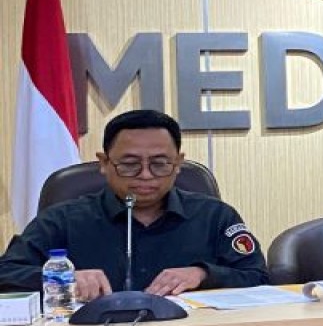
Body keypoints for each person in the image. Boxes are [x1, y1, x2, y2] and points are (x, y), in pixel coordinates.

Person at [0, 109, 268, 299]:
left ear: (178, 164)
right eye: (129, 164)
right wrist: (63, 279)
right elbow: (7, 274)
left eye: (160, 164)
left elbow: (258, 277)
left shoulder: (215, 216)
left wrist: (202, 274)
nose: (146, 175)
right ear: (104, 163)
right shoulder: (62, 219)